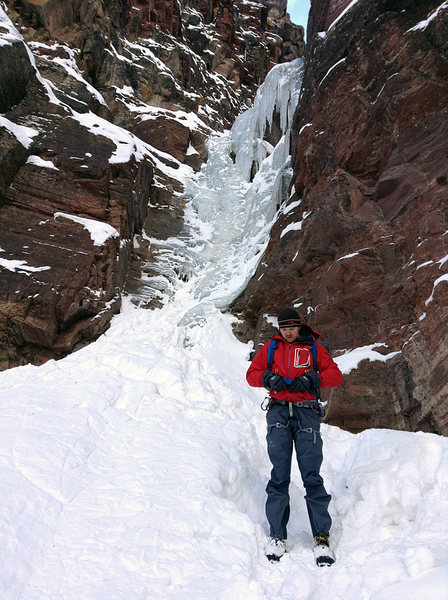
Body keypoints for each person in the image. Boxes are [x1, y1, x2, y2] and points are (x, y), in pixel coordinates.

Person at [246, 308, 343, 565]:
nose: (288, 332)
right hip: (278, 413)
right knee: (279, 475)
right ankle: (277, 536)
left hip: (306, 413)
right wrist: (267, 377)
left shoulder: (314, 349)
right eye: (284, 328)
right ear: (279, 328)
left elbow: (336, 375)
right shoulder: (270, 348)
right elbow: (251, 375)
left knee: (311, 475)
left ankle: (321, 538)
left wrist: (315, 378)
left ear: (299, 326)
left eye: (292, 327)